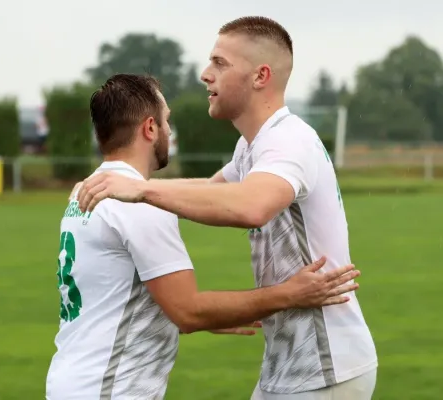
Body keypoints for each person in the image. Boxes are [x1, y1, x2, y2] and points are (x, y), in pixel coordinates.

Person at [77, 17, 378, 400]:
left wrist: (140, 192)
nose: (206, 74)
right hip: (291, 367)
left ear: (260, 76)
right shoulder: (253, 147)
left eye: (220, 63)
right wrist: (119, 184)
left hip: (325, 365)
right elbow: (209, 191)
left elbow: (252, 206)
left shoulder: (289, 141)